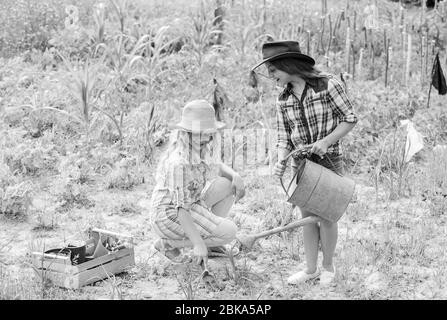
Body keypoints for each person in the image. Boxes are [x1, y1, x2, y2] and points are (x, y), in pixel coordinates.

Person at [252, 41, 358, 286]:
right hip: (301, 165)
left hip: (328, 161)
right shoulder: (283, 98)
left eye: (273, 70)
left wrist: (326, 140)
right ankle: (311, 269)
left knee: (328, 216)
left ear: (287, 65)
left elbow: (350, 118)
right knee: (307, 217)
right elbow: (283, 137)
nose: (271, 76)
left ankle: (328, 267)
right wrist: (280, 161)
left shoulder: (328, 85)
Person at [150, 99, 245, 266]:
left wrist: (235, 176)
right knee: (230, 231)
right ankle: (168, 244)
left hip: (191, 203)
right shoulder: (179, 163)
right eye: (201, 132)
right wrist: (198, 243)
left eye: (209, 132)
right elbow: (181, 209)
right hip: (169, 214)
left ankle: (213, 244)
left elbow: (217, 166)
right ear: (186, 133)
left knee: (227, 184)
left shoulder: (199, 147)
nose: (207, 137)